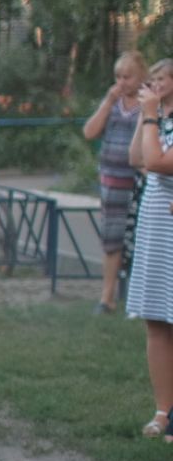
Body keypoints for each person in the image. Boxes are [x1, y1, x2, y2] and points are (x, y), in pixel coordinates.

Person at [128, 61, 173, 440]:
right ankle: (163, 411)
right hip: (156, 226)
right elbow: (136, 159)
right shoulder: (155, 119)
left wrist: (149, 117)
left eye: (161, 80)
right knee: (157, 320)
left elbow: (157, 162)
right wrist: (143, 119)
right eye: (152, 80)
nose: (154, 85)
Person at [87, 50, 148, 314]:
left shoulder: (148, 102)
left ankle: (139, 297)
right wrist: (108, 101)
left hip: (138, 179)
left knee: (140, 239)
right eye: (118, 76)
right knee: (111, 240)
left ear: (141, 77)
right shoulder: (113, 102)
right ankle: (107, 297)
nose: (122, 82)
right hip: (112, 180)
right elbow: (90, 131)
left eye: (128, 76)